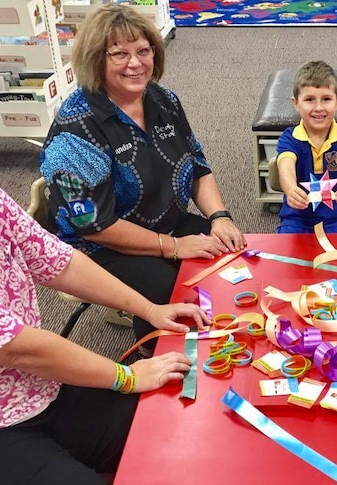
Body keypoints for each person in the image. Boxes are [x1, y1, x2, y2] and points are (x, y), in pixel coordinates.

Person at [0, 43, 211, 484]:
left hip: (31, 388)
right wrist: (126, 377)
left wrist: (150, 310)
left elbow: (55, 259)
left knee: (178, 427)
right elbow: (13, 345)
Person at [40, 3, 245, 353]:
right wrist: (176, 247)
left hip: (165, 219)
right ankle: (154, 354)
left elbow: (196, 164)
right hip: (98, 247)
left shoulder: (163, 99)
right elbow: (95, 225)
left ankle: (210, 340)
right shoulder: (76, 131)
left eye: (143, 51)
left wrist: (219, 217)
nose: (135, 64)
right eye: (119, 54)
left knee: (226, 256)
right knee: (168, 286)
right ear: (96, 59)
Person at [276, 60, 337, 234]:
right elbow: (285, 169)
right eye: (309, 100)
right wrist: (290, 188)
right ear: (296, 103)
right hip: (295, 219)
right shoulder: (289, 138)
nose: (318, 108)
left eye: (326, 99)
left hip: (335, 219)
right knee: (286, 255)